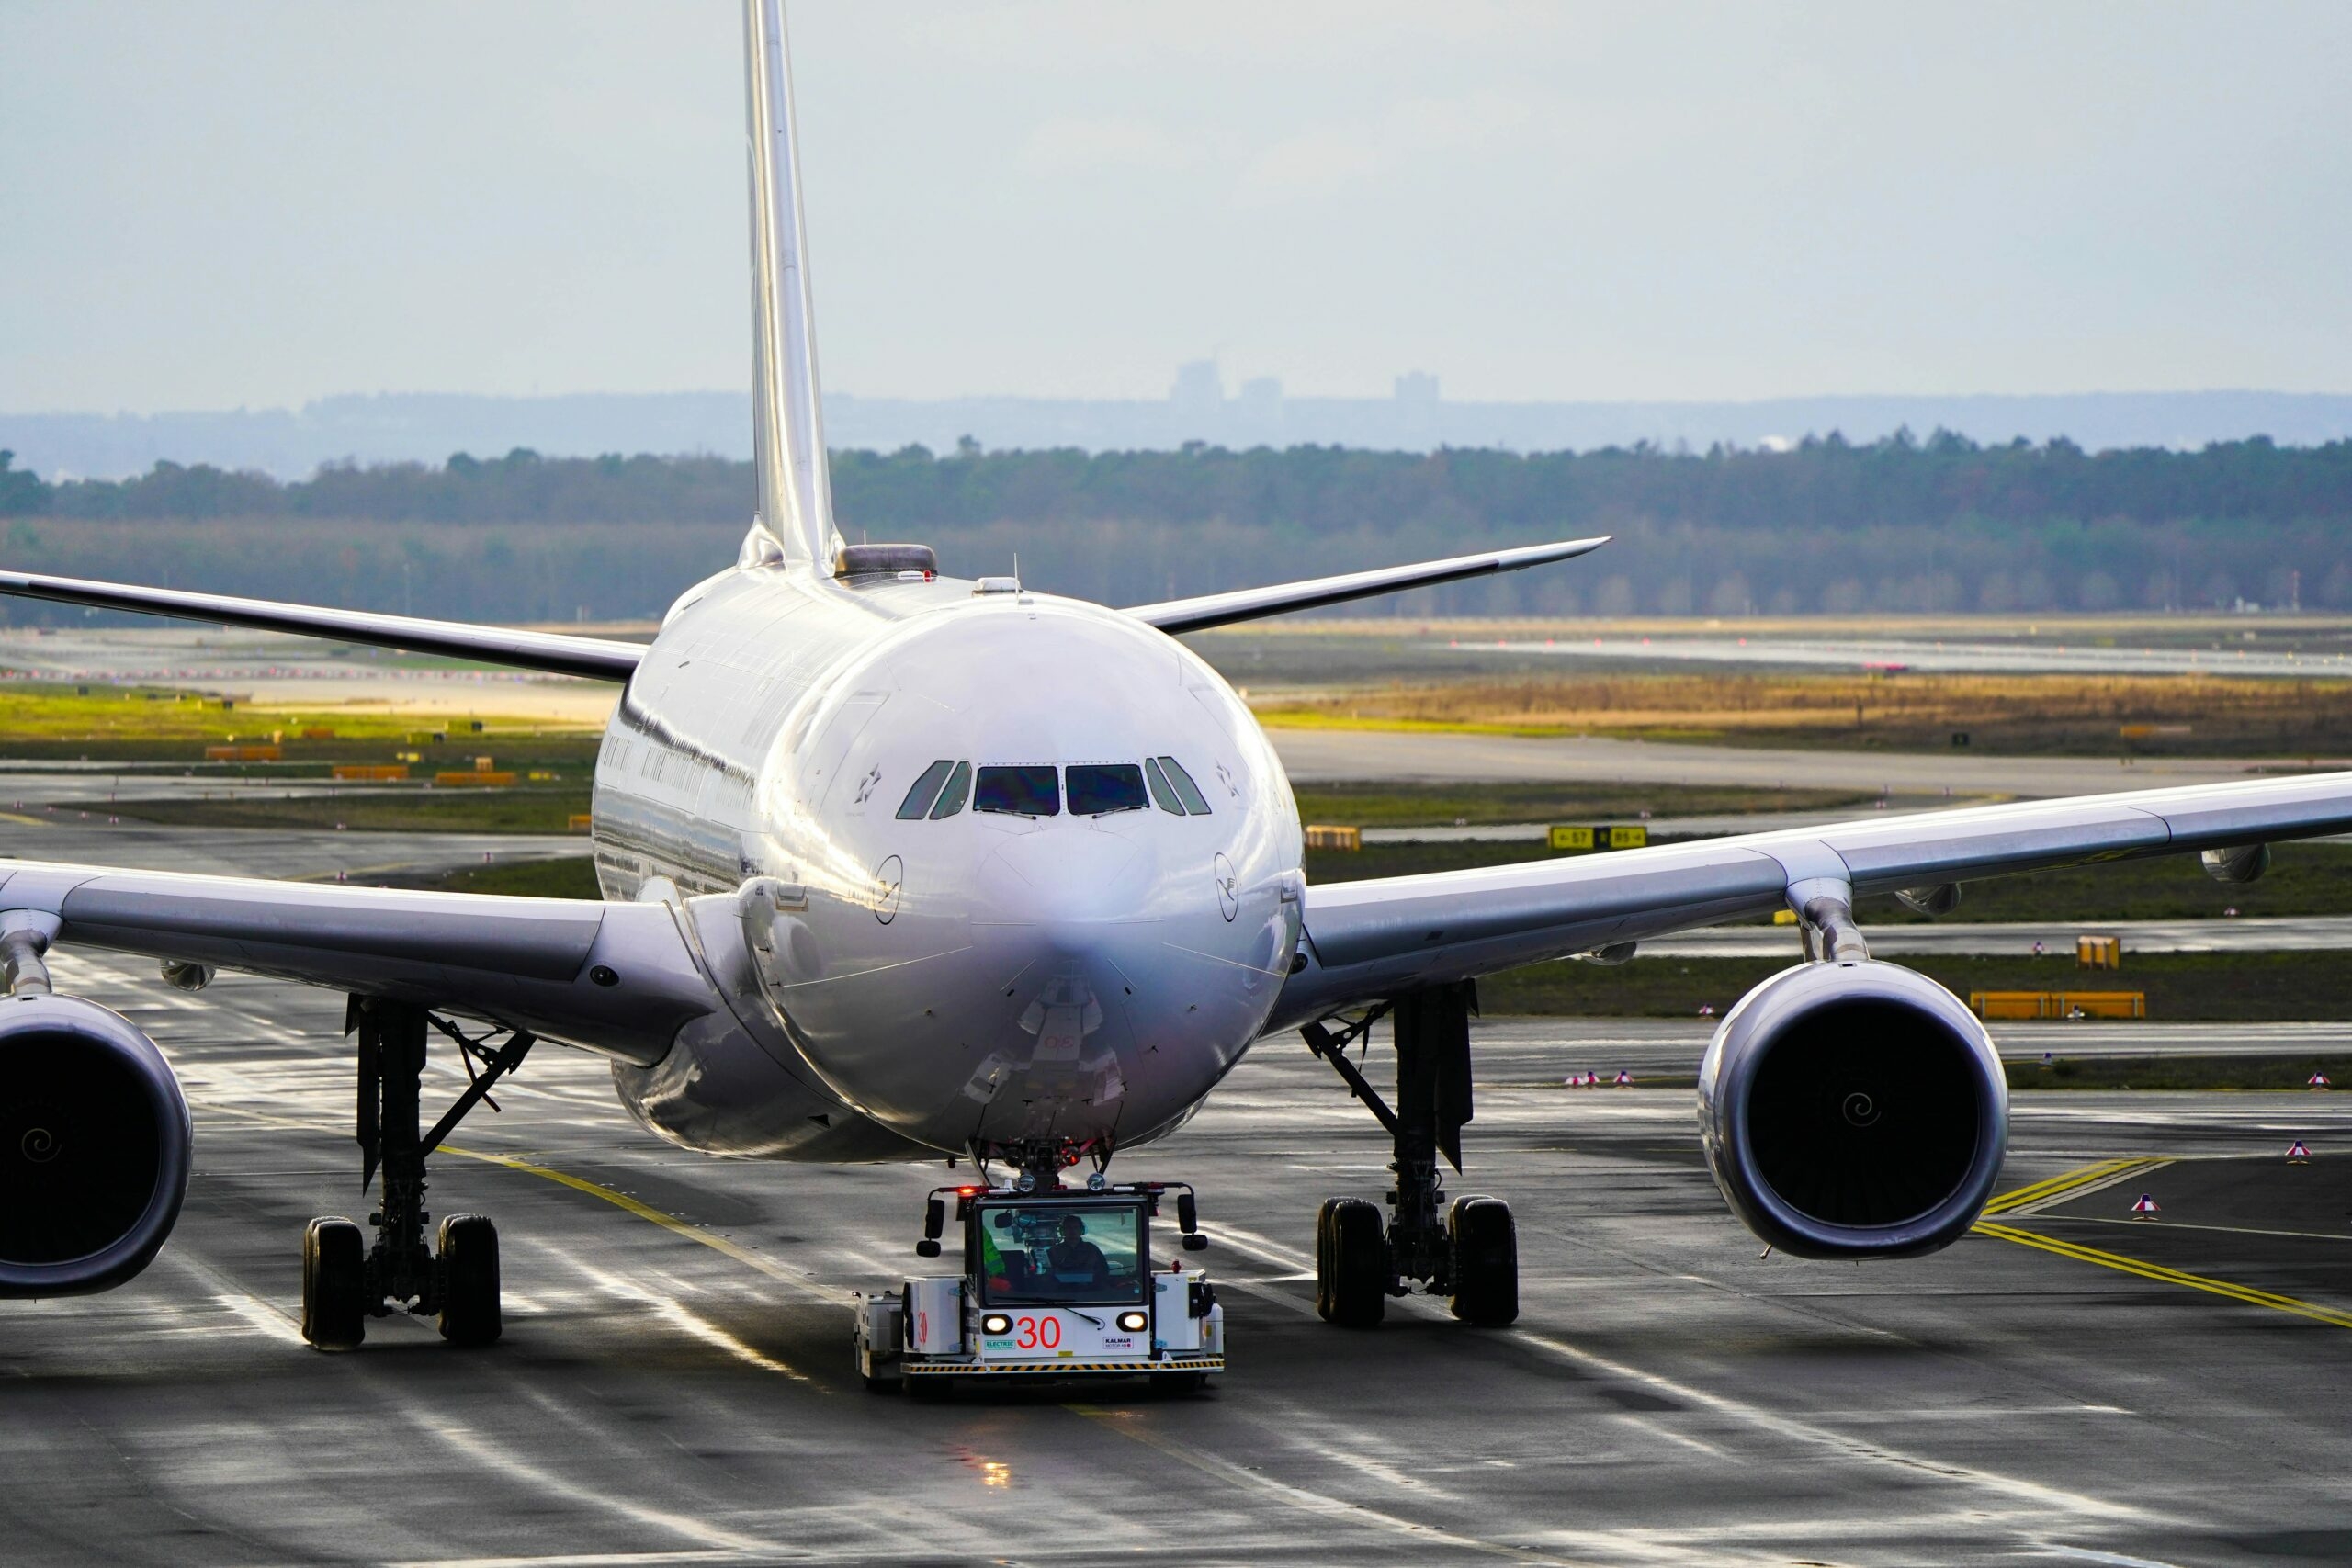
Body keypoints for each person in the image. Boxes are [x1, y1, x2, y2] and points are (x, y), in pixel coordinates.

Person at [1045, 1213, 1108, 1285]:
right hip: (1061, 1291)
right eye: (1068, 1228)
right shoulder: (1054, 1251)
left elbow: (1103, 1271)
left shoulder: (1092, 1249)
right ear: (1062, 1231)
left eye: (1076, 1227)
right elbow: (1047, 1274)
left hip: (1089, 1290)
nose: (1072, 1231)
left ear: (1082, 1230)